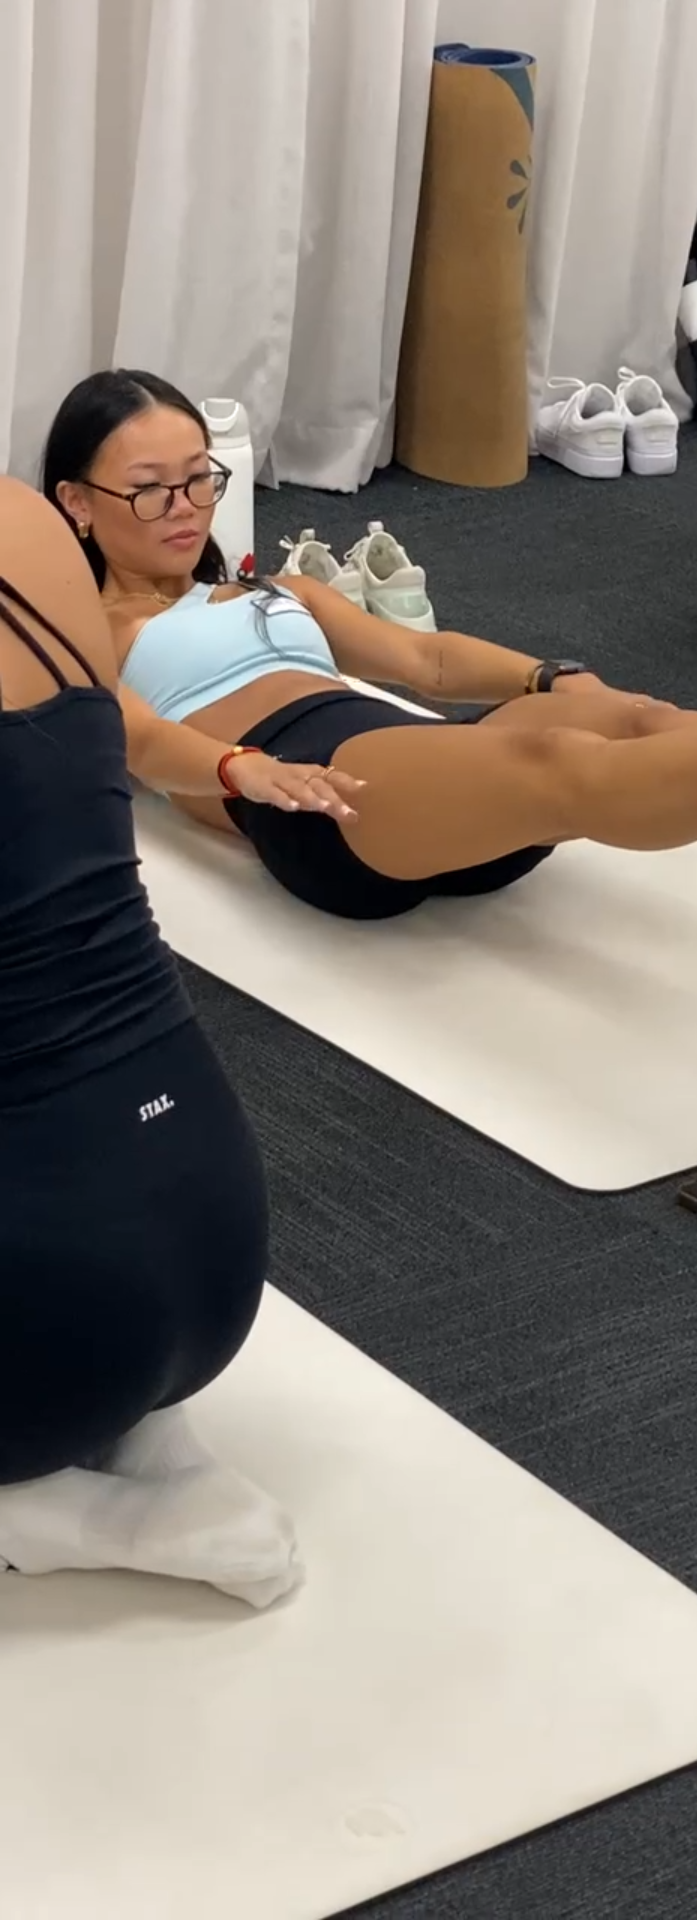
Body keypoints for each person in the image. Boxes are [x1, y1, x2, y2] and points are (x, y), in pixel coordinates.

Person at [42, 371, 697, 926]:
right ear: (76, 506)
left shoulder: (278, 588)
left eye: (199, 479)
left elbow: (429, 666)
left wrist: (544, 674)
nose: (184, 509)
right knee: (556, 763)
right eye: (149, 489)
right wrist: (242, 771)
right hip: (319, 805)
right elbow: (129, 740)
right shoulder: (86, 630)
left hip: (402, 758)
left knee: (627, 717)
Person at [0, 479, 369, 1608]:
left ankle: (51, 1510)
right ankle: (157, 1446)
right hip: (212, 1237)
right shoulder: (28, 522)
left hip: (41, 1322)